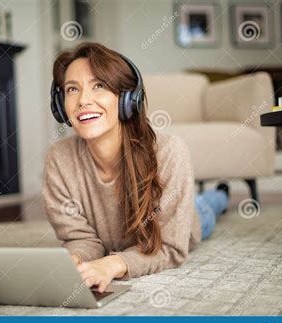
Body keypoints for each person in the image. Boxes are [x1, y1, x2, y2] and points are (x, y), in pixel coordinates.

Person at [42, 42, 228, 293]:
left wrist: (113, 264)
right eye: (72, 89)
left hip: (192, 219)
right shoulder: (58, 158)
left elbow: (171, 247)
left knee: (206, 207)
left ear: (127, 99)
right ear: (60, 105)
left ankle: (221, 195)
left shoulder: (170, 151)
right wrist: (75, 261)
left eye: (99, 86)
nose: (83, 100)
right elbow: (80, 239)